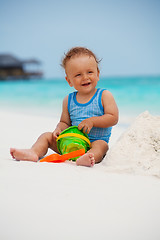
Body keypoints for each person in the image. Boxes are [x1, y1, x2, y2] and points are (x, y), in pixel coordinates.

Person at [10, 47, 119, 167]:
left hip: (93, 143)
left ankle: (87, 158)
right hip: (70, 144)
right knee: (46, 136)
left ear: (97, 74)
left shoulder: (104, 95)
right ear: (69, 81)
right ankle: (33, 152)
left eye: (90, 72)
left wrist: (92, 121)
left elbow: (113, 118)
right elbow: (64, 122)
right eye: (78, 75)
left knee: (101, 146)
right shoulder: (68, 100)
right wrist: (59, 129)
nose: (85, 77)